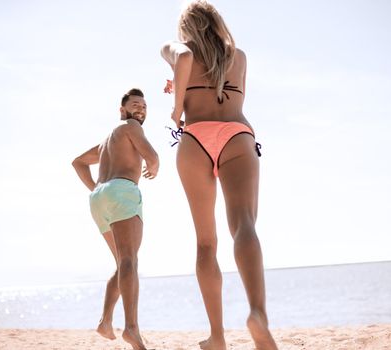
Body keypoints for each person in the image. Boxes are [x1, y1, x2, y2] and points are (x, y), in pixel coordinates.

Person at [161, 1, 278, 349]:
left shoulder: (177, 47)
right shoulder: (238, 56)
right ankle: (257, 313)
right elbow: (230, 98)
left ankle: (217, 336)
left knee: (205, 242)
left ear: (186, 26)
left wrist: (176, 106)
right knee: (243, 225)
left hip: (195, 138)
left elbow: (182, 59)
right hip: (237, 135)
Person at [72, 88, 158, 350]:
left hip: (99, 199)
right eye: (135, 104)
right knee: (130, 260)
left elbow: (77, 162)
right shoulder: (131, 126)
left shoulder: (108, 141)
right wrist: (154, 166)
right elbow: (152, 157)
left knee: (123, 263)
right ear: (123, 111)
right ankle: (131, 328)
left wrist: (98, 189)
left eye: (144, 106)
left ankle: (105, 321)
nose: (140, 109)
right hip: (122, 191)